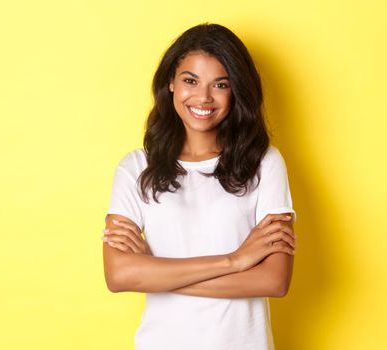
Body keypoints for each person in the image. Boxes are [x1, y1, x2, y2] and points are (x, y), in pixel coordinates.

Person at [101, 23, 297, 350]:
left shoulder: (264, 163)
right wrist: (234, 261)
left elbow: (274, 280)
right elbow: (119, 276)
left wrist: (155, 272)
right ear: (171, 84)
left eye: (220, 84)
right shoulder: (136, 168)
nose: (203, 97)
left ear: (236, 91)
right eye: (190, 80)